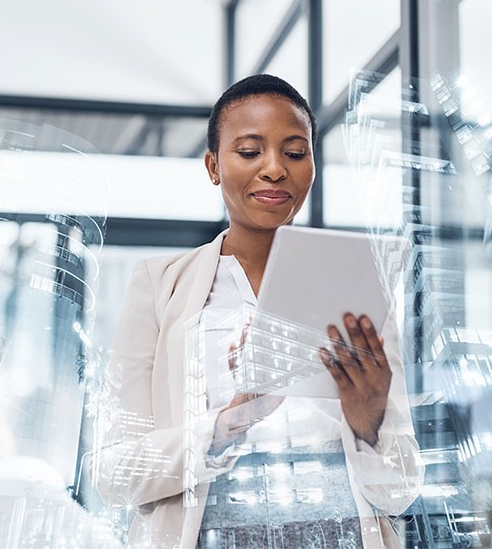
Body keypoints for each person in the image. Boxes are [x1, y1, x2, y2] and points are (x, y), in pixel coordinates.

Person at [92, 74, 424, 548]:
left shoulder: (357, 290)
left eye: (294, 153)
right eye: (249, 152)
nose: (274, 169)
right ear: (213, 165)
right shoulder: (160, 285)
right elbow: (114, 474)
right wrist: (223, 428)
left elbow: (401, 491)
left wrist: (369, 423)